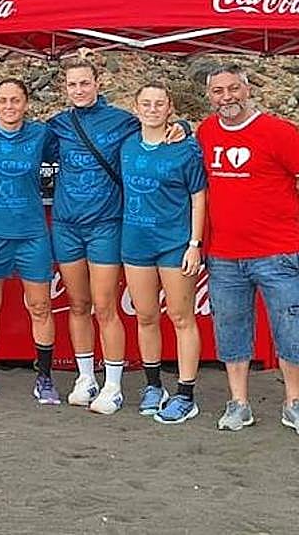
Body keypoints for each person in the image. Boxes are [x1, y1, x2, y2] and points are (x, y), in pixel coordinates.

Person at [0, 56, 181, 413]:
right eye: (72, 85)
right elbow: (16, 131)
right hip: (66, 226)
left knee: (104, 306)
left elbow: (155, 126)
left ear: (98, 83)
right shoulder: (57, 126)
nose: (79, 90)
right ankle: (86, 377)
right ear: (64, 89)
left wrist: (183, 126)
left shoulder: (122, 121)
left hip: (105, 225)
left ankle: (112, 385)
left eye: (85, 83)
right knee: (78, 306)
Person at [197, 64, 299, 434]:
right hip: (224, 256)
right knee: (231, 331)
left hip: (279, 252)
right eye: (219, 91)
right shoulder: (206, 132)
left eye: (233, 89)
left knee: (290, 331)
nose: (227, 97)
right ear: (210, 97)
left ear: (247, 89)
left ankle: (293, 403)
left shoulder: (279, 132)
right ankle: (239, 403)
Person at [0, 78, 60, 406]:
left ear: (26, 103)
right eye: (2, 100)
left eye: (15, 100)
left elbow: (75, 144)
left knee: (40, 307)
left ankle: (44, 378)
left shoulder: (40, 134)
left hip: (32, 234)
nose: (9, 106)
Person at [120, 82, 206, 424]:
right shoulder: (127, 145)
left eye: (159, 104)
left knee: (182, 318)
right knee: (145, 316)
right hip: (135, 243)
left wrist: (194, 244)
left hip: (174, 244)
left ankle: (186, 394)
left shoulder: (185, 149)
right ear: (136, 107)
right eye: (146, 103)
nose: (152, 109)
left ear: (169, 108)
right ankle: (153, 385)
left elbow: (199, 196)